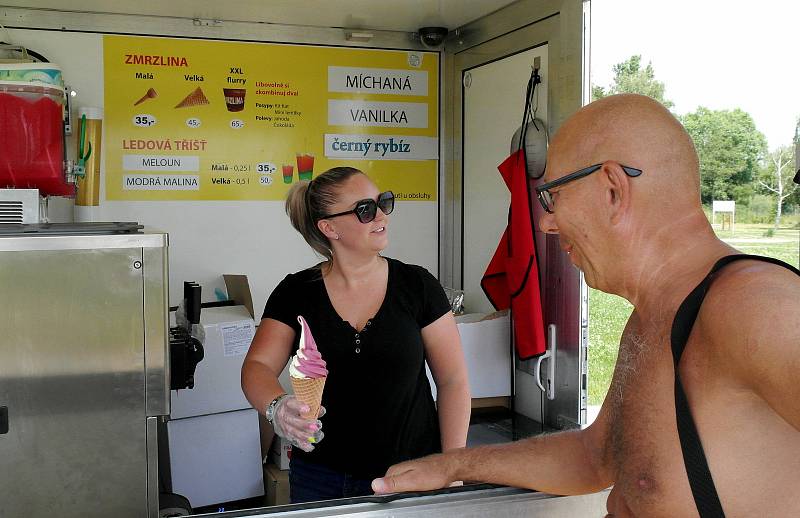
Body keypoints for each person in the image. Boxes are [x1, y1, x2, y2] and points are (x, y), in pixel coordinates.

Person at [371, 94, 800, 517]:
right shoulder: (654, 315)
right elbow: (599, 456)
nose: (547, 222)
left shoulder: (756, 308)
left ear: (612, 188)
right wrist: (455, 464)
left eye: (552, 196)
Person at [242, 166, 471, 503]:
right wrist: (277, 407)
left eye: (383, 202)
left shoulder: (417, 286)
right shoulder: (296, 293)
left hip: (413, 472)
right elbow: (257, 366)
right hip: (321, 478)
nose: (382, 216)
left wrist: (453, 466)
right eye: (365, 209)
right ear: (329, 227)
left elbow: (453, 380)